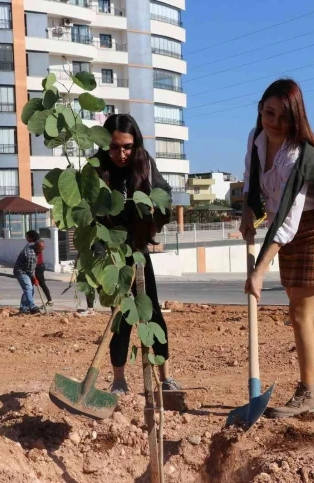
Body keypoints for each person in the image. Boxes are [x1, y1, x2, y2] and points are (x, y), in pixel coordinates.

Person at [239, 79, 314, 419]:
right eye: (268, 112)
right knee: (305, 311)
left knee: (300, 312)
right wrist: (247, 212)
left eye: (282, 117)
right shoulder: (256, 139)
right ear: (260, 108)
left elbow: (287, 219)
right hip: (288, 230)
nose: (273, 121)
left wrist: (259, 271)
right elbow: (249, 180)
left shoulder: (297, 155)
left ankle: (308, 394)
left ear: (294, 119)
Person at [88, 113, 181, 395]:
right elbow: (87, 211)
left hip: (137, 249)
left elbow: (164, 192)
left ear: (135, 144)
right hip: (112, 252)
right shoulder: (95, 169)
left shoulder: (144, 163)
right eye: (115, 147)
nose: (121, 153)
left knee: (151, 313)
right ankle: (118, 380)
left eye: (127, 146)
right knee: (121, 318)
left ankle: (166, 378)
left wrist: (155, 207)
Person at [25, 230, 52, 307]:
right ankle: (49, 300)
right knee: (40, 284)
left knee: (29, 286)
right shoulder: (36, 243)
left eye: (27, 237)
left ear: (31, 237)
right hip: (40, 266)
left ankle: (27, 304)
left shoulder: (34, 245)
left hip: (37, 266)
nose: (26, 238)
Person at [14, 241, 41, 315]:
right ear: (37, 247)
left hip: (26, 270)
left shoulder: (33, 249)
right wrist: (34, 278)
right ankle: (32, 307)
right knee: (28, 288)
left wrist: (34, 278)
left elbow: (31, 269)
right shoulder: (30, 255)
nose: (41, 251)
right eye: (41, 249)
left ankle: (23, 308)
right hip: (21, 271)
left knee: (29, 290)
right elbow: (30, 270)